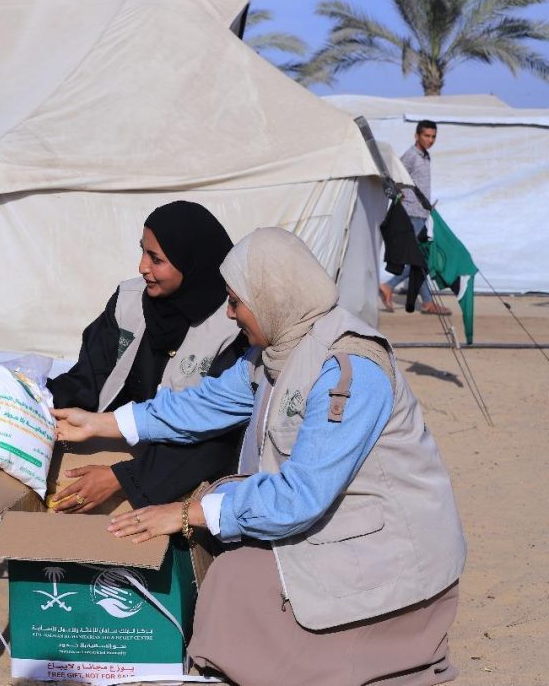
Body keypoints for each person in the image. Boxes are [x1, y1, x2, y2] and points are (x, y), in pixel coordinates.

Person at [55, 227, 466, 685]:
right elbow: (204, 402)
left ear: (273, 296)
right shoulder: (275, 353)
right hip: (334, 532)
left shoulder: (349, 368)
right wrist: (103, 423)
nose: (230, 314)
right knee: (235, 578)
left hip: (386, 556)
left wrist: (189, 512)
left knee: (237, 579)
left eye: (236, 301)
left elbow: (300, 496)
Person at [0, 201, 247, 512]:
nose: (142, 267)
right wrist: (17, 391)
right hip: (113, 460)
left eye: (156, 259)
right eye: (142, 251)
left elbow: (216, 438)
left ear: (192, 262)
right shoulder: (129, 302)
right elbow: (88, 381)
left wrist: (125, 479)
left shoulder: (234, 324)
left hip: (185, 488)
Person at [380, 119, 451, 315]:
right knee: (418, 260)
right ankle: (391, 286)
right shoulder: (411, 155)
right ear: (416, 136)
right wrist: (399, 199)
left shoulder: (426, 156)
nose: (430, 140)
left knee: (417, 261)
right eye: (426, 136)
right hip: (411, 213)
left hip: (421, 214)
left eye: (433, 136)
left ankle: (426, 301)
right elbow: (393, 178)